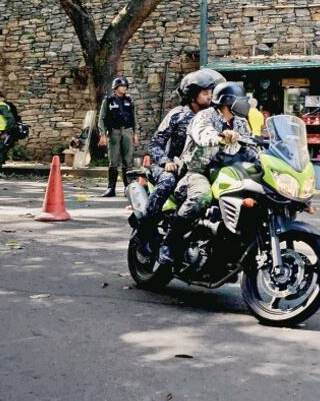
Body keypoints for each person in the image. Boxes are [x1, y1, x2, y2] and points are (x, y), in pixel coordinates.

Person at [159, 82, 257, 267]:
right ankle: (170, 243)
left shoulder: (240, 122)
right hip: (198, 171)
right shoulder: (205, 116)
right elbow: (204, 135)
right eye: (242, 100)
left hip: (230, 171)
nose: (246, 103)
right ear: (228, 101)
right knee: (201, 196)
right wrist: (221, 137)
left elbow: (251, 147)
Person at [142, 69, 225, 236]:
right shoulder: (177, 115)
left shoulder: (213, 116)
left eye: (211, 92)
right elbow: (155, 144)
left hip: (195, 166)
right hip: (169, 165)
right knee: (167, 181)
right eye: (205, 93)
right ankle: (146, 226)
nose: (210, 96)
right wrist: (166, 162)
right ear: (192, 95)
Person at [98, 77, 138, 197]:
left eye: (126, 86)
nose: (124, 88)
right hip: (114, 132)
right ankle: (111, 188)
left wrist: (135, 133)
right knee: (113, 161)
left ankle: (128, 188)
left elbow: (134, 118)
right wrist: (103, 135)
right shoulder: (108, 100)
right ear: (115, 88)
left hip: (127, 132)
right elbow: (101, 118)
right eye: (122, 86)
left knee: (128, 161)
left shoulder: (129, 100)